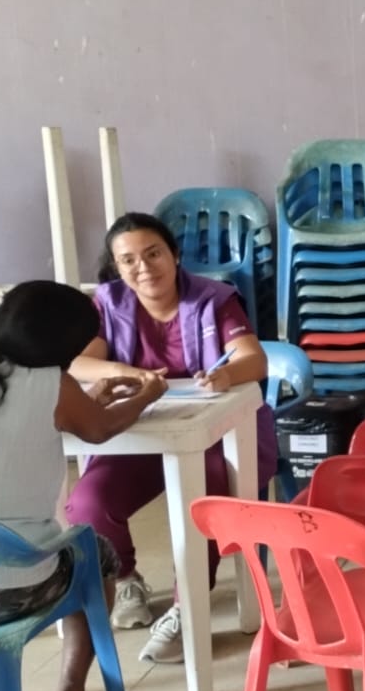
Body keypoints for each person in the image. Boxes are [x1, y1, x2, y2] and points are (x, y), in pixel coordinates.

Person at [0, 281, 166, 691]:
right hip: (11, 592)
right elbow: (99, 429)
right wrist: (147, 393)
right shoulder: (50, 384)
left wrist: (88, 396)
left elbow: (13, 419)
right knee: (94, 556)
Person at [66, 213, 276, 664]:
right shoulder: (108, 303)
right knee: (88, 502)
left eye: (153, 253)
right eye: (128, 260)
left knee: (205, 498)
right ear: (117, 268)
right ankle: (126, 579)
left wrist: (225, 375)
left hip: (210, 436)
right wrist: (123, 371)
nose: (143, 268)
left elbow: (254, 360)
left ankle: (186, 609)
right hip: (141, 434)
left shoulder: (214, 299)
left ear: (175, 255)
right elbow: (79, 364)